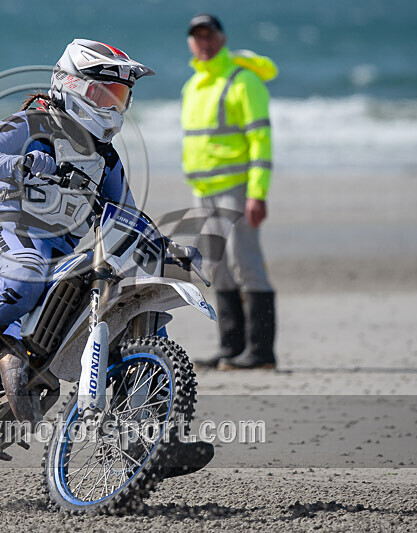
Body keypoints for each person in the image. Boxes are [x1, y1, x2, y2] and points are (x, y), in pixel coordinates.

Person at [0, 39, 154, 412]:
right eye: (103, 96)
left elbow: (128, 217)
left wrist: (164, 247)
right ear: (73, 86)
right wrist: (19, 164)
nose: (111, 108)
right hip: (7, 235)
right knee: (25, 277)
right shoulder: (33, 125)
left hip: (61, 257)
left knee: (135, 292)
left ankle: (153, 416)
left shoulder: (106, 159)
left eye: (119, 98)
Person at [181, 14, 278, 370]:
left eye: (209, 35)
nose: (203, 42)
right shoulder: (193, 85)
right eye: (197, 37)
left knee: (246, 263)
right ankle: (231, 348)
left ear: (221, 39)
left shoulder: (244, 81)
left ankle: (261, 352)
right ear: (190, 43)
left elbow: (261, 140)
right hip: (202, 190)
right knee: (216, 267)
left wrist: (258, 193)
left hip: (237, 189)